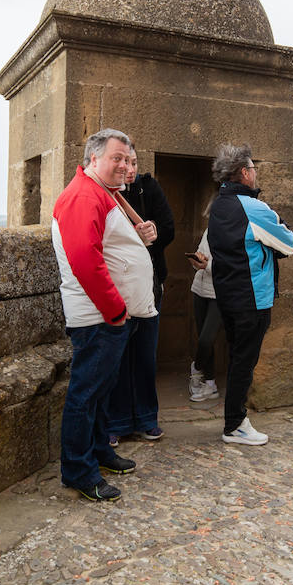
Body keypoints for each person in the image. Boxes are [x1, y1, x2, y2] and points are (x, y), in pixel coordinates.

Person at [50, 129, 158, 502]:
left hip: (108, 316)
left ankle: (99, 453)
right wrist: (115, 311)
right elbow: (85, 260)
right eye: (118, 158)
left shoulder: (102, 193)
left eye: (129, 160)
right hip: (98, 317)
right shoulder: (83, 196)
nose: (126, 166)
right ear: (93, 158)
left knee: (98, 393)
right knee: (85, 394)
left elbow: (112, 246)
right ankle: (79, 471)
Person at [207, 144, 293, 445]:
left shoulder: (217, 205)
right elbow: (289, 243)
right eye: (254, 169)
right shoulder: (255, 209)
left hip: (227, 296)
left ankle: (235, 420)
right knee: (244, 362)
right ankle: (235, 425)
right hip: (253, 298)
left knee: (237, 358)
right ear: (244, 173)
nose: (256, 174)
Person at [107, 148, 174, 443]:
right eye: (124, 162)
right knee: (118, 357)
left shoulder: (149, 186)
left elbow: (169, 228)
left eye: (133, 162)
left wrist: (154, 232)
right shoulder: (107, 193)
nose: (130, 168)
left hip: (148, 283)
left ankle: (147, 419)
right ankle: (117, 423)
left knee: (146, 354)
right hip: (117, 285)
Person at [186, 227, 221, 402]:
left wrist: (207, 265)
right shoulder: (209, 229)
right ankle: (210, 384)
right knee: (202, 337)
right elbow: (202, 253)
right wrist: (197, 260)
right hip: (199, 289)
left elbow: (232, 267)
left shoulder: (234, 230)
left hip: (219, 294)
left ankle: (197, 368)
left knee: (206, 339)